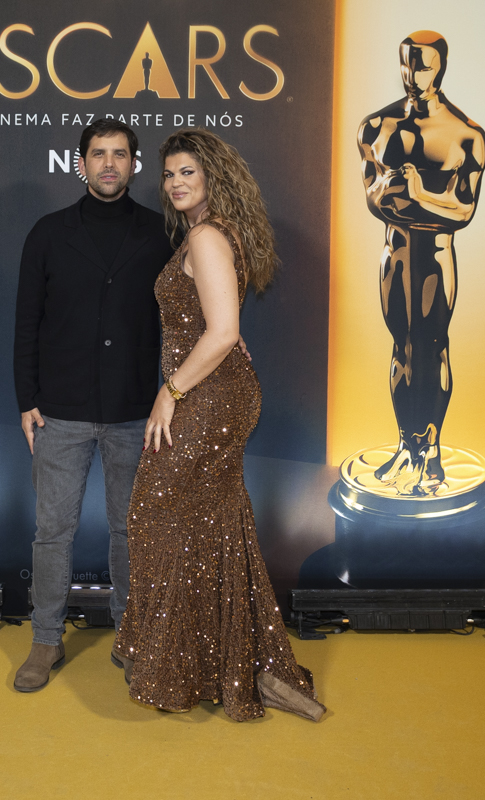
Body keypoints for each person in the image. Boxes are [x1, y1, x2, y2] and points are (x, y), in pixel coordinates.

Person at [114, 129, 326, 722]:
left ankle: (189, 665)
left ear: (213, 175)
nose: (176, 183)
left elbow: (224, 330)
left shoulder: (207, 236)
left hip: (205, 399)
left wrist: (170, 392)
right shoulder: (211, 233)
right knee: (211, 525)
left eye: (188, 171)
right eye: (169, 174)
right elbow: (219, 323)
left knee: (157, 515)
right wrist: (219, 351)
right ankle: (238, 664)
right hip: (217, 391)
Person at [12, 119, 175, 692]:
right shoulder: (48, 233)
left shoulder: (161, 234)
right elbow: (26, 322)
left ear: (133, 164)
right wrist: (26, 399)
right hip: (60, 411)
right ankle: (45, 639)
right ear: (81, 163)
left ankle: (131, 636)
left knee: (131, 532)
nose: (109, 164)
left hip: (136, 412)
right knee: (52, 532)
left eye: (120, 154)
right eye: (99, 154)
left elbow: (186, 315)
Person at [356, 30, 485, 496]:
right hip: (394, 254)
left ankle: (429, 455)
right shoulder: (376, 127)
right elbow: (374, 200)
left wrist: (414, 193)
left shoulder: (466, 134)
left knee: (430, 349)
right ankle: (406, 446)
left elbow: (464, 210)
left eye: (423, 66)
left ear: (441, 67)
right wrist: (425, 199)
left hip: (434, 257)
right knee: (401, 348)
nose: (412, 75)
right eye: (406, 64)